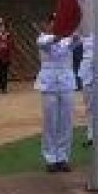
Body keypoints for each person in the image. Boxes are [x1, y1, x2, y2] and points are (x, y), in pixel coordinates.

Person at [34, 16, 78, 173]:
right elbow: (45, 44)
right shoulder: (43, 38)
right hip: (49, 83)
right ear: (49, 24)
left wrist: (74, 34)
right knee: (50, 121)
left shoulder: (68, 39)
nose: (55, 23)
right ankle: (50, 158)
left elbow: (76, 42)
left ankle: (63, 157)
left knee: (66, 121)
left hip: (66, 82)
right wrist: (59, 36)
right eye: (53, 21)